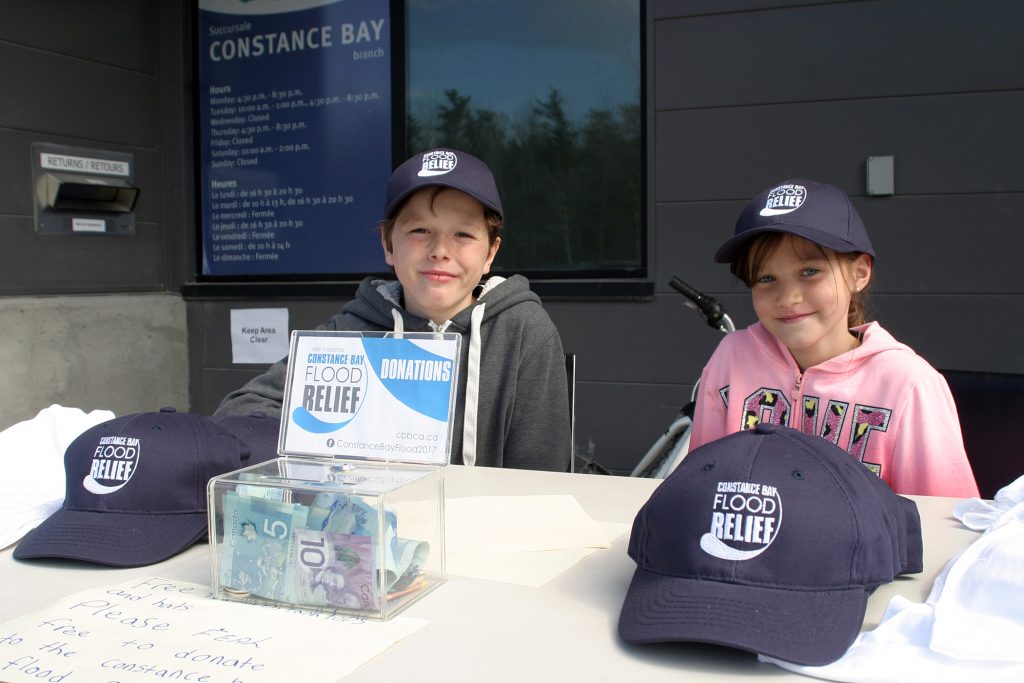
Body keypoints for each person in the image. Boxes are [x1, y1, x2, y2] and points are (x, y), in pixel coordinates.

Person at [215, 148, 571, 472]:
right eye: (420, 230)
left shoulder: (524, 332)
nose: (440, 250)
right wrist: (337, 449)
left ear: (490, 253)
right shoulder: (350, 332)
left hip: (479, 532)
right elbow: (239, 412)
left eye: (462, 234)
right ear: (388, 244)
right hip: (372, 533)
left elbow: (541, 476)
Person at [689, 179, 979, 497]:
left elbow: (944, 523)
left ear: (859, 273)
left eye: (810, 271)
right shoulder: (732, 356)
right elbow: (701, 486)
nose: (788, 297)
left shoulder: (908, 384)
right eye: (766, 278)